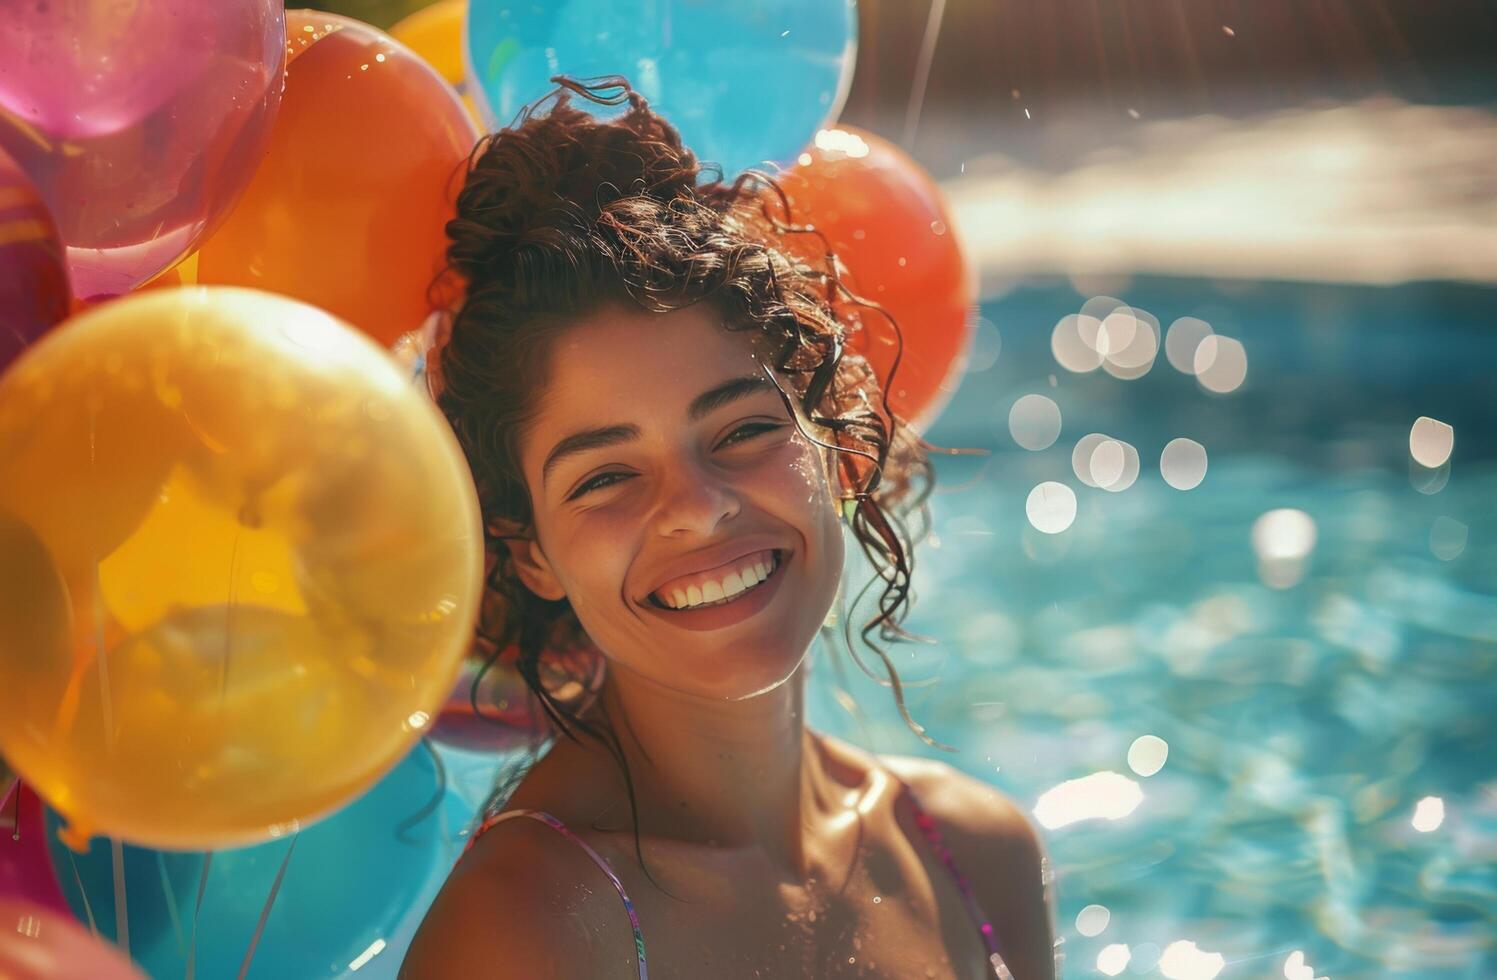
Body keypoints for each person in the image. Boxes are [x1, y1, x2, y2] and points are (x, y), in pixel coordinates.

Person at [400, 77, 1058, 979]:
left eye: (743, 430)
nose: (697, 507)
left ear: (830, 439)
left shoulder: (980, 856)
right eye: (604, 477)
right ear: (533, 555)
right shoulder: (530, 936)